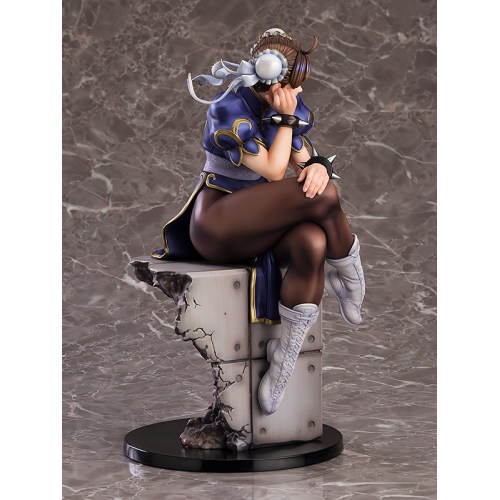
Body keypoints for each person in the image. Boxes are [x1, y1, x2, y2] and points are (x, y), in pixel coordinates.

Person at [152, 28, 365, 416]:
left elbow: (302, 160)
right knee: (325, 197)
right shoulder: (228, 109)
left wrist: (318, 166)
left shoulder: (286, 105)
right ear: (270, 79)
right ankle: (349, 273)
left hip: (262, 225)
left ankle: (284, 359)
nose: (296, 94)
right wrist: (284, 120)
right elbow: (273, 170)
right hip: (219, 224)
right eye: (290, 86)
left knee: (312, 241)